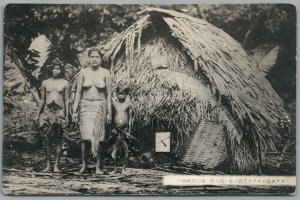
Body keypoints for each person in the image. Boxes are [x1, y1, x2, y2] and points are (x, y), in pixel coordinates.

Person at [72, 47, 112, 175]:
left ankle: (98, 167)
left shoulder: (106, 73)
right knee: (85, 139)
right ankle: (84, 166)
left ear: (101, 59)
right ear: (88, 58)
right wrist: (74, 111)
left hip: (100, 107)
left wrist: (109, 112)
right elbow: (78, 92)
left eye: (97, 57)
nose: (94, 59)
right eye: (92, 57)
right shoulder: (83, 72)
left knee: (99, 139)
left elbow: (109, 95)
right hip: (85, 106)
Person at [36, 59, 70, 173]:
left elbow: (67, 100)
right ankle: (48, 165)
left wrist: (67, 114)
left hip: (59, 112)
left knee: (58, 139)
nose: (56, 71)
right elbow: (42, 100)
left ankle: (56, 166)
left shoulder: (65, 83)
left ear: (61, 70)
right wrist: (38, 114)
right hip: (47, 112)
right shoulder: (45, 82)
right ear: (51, 69)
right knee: (47, 139)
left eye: (58, 68)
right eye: (54, 68)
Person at [108, 85, 133, 174]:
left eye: (122, 94)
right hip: (116, 130)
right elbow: (111, 117)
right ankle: (114, 168)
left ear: (126, 95)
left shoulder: (128, 105)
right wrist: (112, 128)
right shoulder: (114, 104)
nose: (120, 96)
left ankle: (124, 168)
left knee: (125, 149)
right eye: (119, 94)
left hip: (124, 130)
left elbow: (130, 118)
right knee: (115, 148)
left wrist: (129, 130)